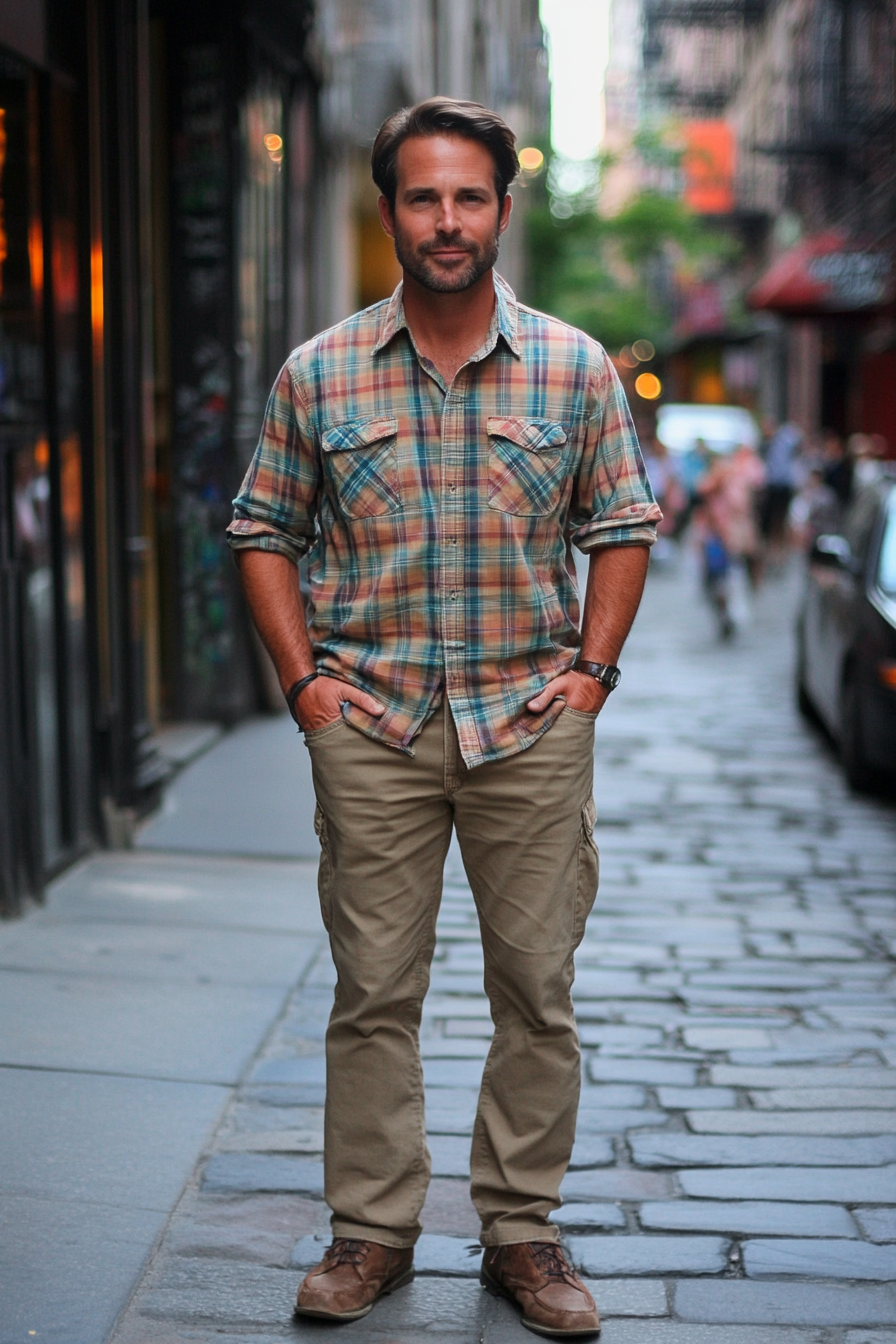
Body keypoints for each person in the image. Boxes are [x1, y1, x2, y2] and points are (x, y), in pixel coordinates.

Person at [227, 97, 660, 1338]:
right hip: (372, 724)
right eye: (422, 197)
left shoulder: (574, 366)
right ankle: (371, 1233)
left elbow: (620, 529)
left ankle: (521, 1236)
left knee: (537, 986)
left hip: (528, 722)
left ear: (501, 209)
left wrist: (589, 674)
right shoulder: (319, 371)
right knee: (372, 989)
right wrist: (306, 685)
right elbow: (262, 530)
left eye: (468, 197)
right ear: (390, 214)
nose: (447, 220)